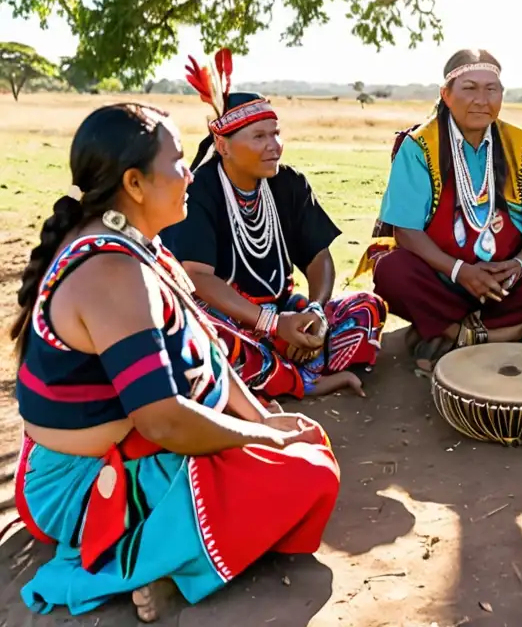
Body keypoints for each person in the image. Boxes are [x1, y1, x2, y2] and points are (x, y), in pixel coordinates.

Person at [9, 104, 339, 622]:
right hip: (81, 483)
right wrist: (265, 439)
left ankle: (179, 549)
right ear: (135, 183)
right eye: (180, 161)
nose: (191, 173)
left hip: (140, 444)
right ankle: (144, 568)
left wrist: (261, 417)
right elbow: (161, 418)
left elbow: (205, 345)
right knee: (305, 472)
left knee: (305, 447)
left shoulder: (140, 245)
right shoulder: (111, 272)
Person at [162, 49, 386, 400]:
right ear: (223, 145)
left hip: (285, 312)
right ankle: (303, 378)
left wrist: (315, 312)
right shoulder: (200, 190)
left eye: (276, 133)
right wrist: (270, 324)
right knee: (206, 338)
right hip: (230, 319)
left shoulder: (288, 183)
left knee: (366, 308)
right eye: (260, 137)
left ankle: (288, 365)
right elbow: (199, 278)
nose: (275, 147)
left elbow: (318, 257)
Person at [354, 48, 522, 374]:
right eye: (469, 88)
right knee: (390, 271)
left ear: (502, 95)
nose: (482, 99)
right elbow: (405, 232)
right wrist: (460, 271)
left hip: (507, 283)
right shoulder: (419, 146)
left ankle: (453, 334)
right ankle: (508, 333)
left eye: (491, 89)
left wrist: (520, 265)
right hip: (442, 280)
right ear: (446, 95)